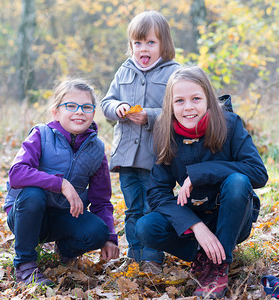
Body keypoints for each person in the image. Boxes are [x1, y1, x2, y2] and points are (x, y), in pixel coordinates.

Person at [135, 66, 268, 298]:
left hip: (233, 216)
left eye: (196, 98)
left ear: (208, 98)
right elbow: (157, 193)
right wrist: (195, 227)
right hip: (194, 215)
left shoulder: (230, 124)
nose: (188, 107)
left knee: (237, 181)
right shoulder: (164, 132)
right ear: (170, 104)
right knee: (145, 228)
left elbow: (258, 173)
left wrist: (199, 173)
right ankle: (202, 254)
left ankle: (219, 265)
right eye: (180, 101)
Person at [4, 78, 119, 286]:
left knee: (98, 231)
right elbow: (17, 174)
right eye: (71, 106)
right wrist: (62, 184)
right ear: (56, 112)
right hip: (26, 215)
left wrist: (110, 236)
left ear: (93, 113)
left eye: (86, 107)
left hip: (63, 217)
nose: (79, 112)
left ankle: (65, 250)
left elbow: (101, 200)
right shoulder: (41, 134)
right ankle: (25, 264)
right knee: (33, 194)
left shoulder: (96, 149)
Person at [100, 10, 180, 274]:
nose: (143, 48)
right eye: (138, 43)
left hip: (156, 157)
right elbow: (106, 103)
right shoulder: (124, 71)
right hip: (126, 157)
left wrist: (151, 115)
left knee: (152, 208)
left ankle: (153, 259)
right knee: (133, 209)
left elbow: (177, 111)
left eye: (150, 43)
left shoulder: (173, 73)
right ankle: (134, 257)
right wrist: (119, 107)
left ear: (163, 45)